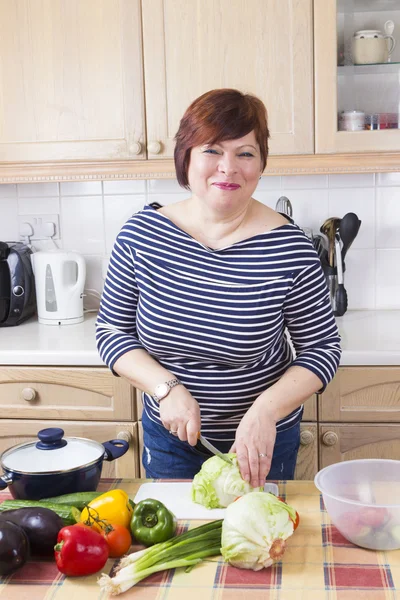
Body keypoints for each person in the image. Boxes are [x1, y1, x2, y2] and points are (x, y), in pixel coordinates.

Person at [96, 88, 341, 489]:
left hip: (262, 440)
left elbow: (322, 348)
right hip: (171, 436)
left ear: (261, 164)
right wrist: (166, 388)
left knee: (258, 544)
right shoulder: (141, 236)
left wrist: (265, 411)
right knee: (181, 543)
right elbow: (111, 332)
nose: (228, 168)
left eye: (245, 153)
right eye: (212, 150)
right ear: (186, 157)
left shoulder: (289, 247)